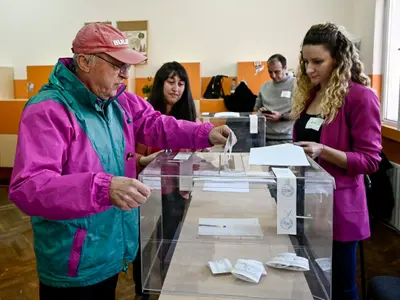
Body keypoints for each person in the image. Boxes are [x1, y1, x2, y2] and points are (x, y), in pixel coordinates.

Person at [8, 23, 231, 300]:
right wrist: (104, 188)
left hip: (112, 246)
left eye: (128, 66)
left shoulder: (118, 100)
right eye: (118, 65)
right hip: (73, 262)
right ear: (85, 61)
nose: (125, 75)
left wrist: (204, 133)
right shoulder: (48, 110)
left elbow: (156, 124)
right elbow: (29, 187)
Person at [291, 23, 382, 300]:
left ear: (339, 60)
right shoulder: (312, 94)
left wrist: (323, 150)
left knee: (342, 287)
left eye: (318, 61)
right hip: (306, 203)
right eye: (306, 62)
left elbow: (370, 161)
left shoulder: (360, 97)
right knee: (310, 282)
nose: (309, 70)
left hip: (340, 208)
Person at [132, 61, 202, 298]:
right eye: (170, 82)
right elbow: (129, 155)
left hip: (175, 192)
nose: (176, 88)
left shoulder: (190, 116)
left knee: (168, 243)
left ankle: (166, 289)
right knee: (141, 247)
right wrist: (145, 160)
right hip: (144, 190)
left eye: (181, 83)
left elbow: (195, 156)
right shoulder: (144, 114)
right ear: (160, 83)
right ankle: (141, 291)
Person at [253, 54, 296, 145]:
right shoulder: (264, 87)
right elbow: (256, 109)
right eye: (270, 72)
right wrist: (260, 111)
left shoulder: (296, 85)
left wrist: (281, 117)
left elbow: (300, 113)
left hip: (288, 138)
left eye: (277, 72)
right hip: (265, 137)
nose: (273, 75)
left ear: (285, 68)